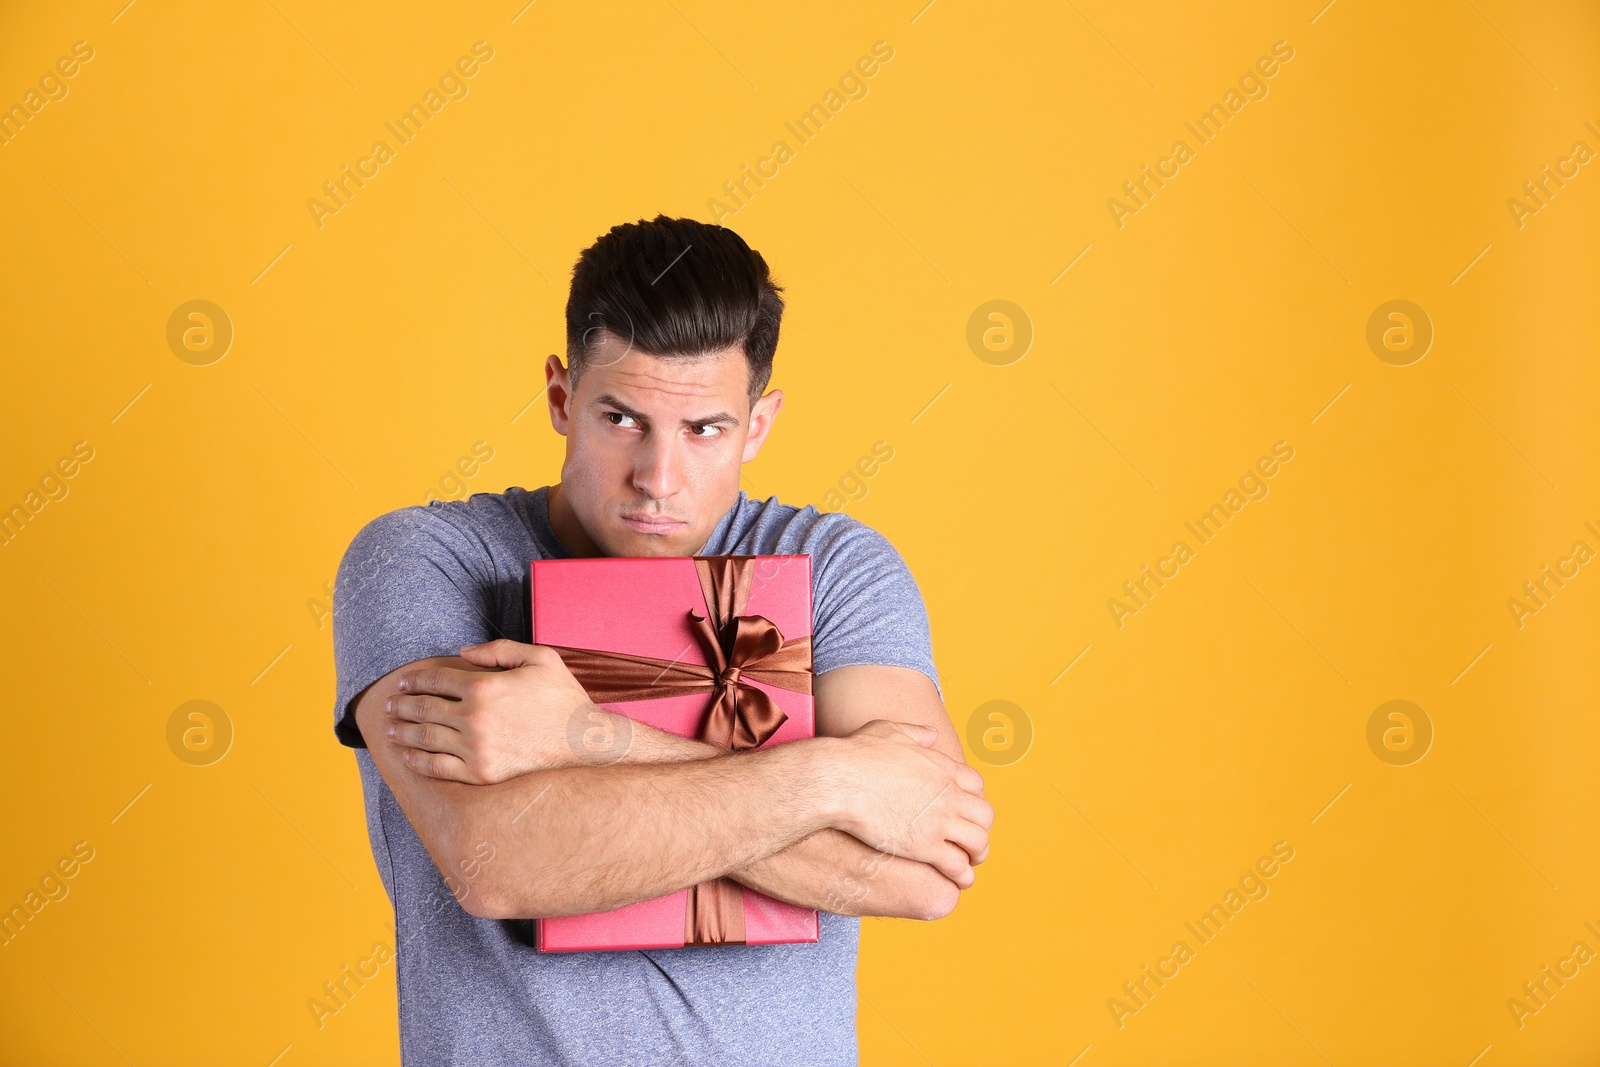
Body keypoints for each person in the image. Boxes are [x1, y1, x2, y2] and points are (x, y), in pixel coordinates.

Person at [331, 214, 993, 1065]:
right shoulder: (424, 561)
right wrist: (837, 778)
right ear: (562, 398)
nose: (658, 477)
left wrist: (585, 737)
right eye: (621, 418)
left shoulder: (833, 566)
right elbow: (495, 861)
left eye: (704, 429)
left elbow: (925, 866)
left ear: (758, 423)